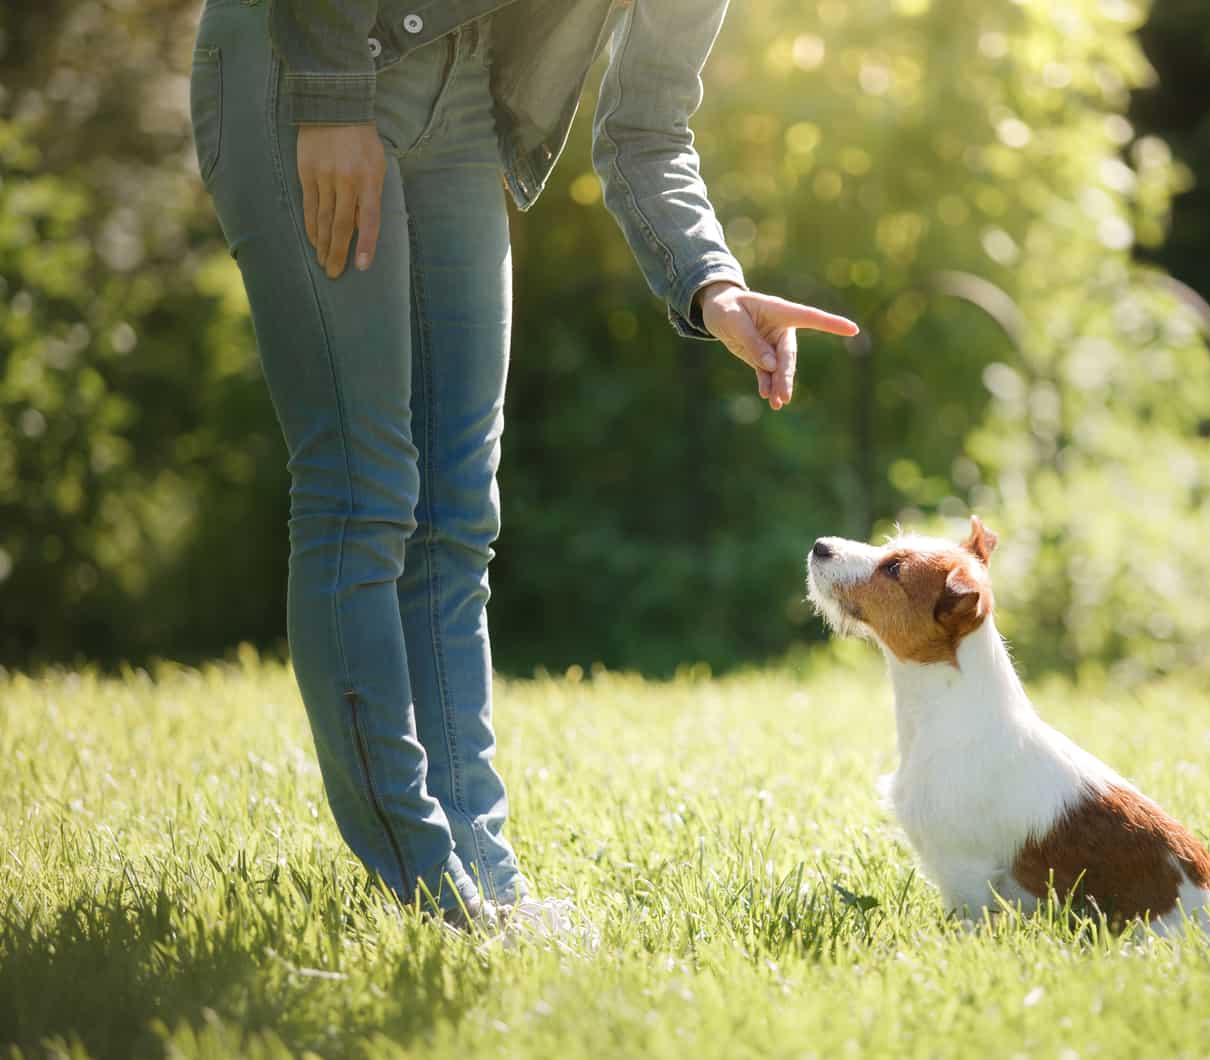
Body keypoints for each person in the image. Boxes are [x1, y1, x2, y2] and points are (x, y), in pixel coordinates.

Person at [188, 0, 858, 935]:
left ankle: (483, 881)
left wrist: (714, 283)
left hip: (456, 95)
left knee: (457, 513)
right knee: (362, 492)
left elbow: (647, 128)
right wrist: (332, 97)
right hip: (307, 56)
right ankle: (427, 883)